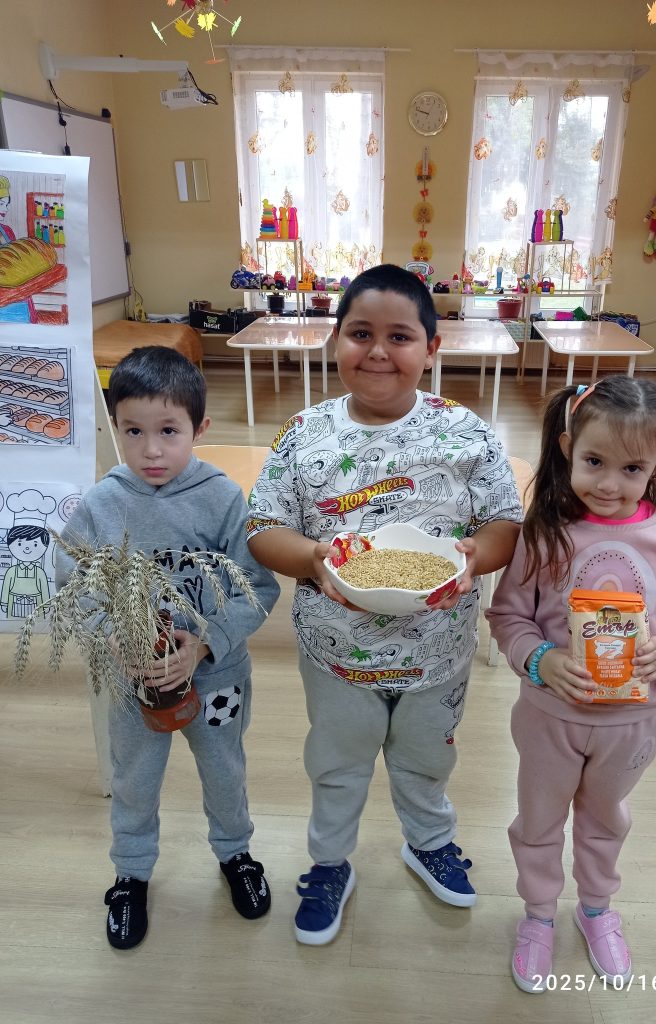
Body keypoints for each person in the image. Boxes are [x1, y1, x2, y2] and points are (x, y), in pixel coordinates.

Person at [247, 264, 523, 946]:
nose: (377, 351)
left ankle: (429, 842)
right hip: (336, 652)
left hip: (438, 652)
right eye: (360, 333)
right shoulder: (304, 435)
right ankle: (329, 863)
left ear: (432, 348)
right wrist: (314, 558)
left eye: (400, 336)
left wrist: (474, 557)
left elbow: (505, 523)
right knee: (336, 766)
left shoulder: (465, 434)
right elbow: (263, 528)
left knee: (428, 760)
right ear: (335, 339)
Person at [486, 376, 656, 993]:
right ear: (568, 448)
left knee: (604, 821)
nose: (609, 484)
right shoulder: (543, 534)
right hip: (549, 719)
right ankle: (538, 915)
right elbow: (507, 617)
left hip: (632, 727)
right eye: (594, 462)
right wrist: (540, 660)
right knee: (538, 820)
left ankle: (595, 910)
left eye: (631, 468)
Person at [55, 346, 280, 950]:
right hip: (134, 679)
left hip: (217, 679)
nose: (151, 450)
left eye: (169, 431)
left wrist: (204, 644)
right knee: (134, 777)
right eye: (134, 431)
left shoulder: (223, 498)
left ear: (199, 428)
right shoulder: (102, 504)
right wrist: (112, 635)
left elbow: (258, 587)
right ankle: (130, 874)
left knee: (225, 771)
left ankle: (235, 854)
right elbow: (71, 580)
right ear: (115, 427)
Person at [0, 175, 37, 323]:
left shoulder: (7, 231)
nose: (6, 209)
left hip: (19, 303)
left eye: (7, 204)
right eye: (1, 203)